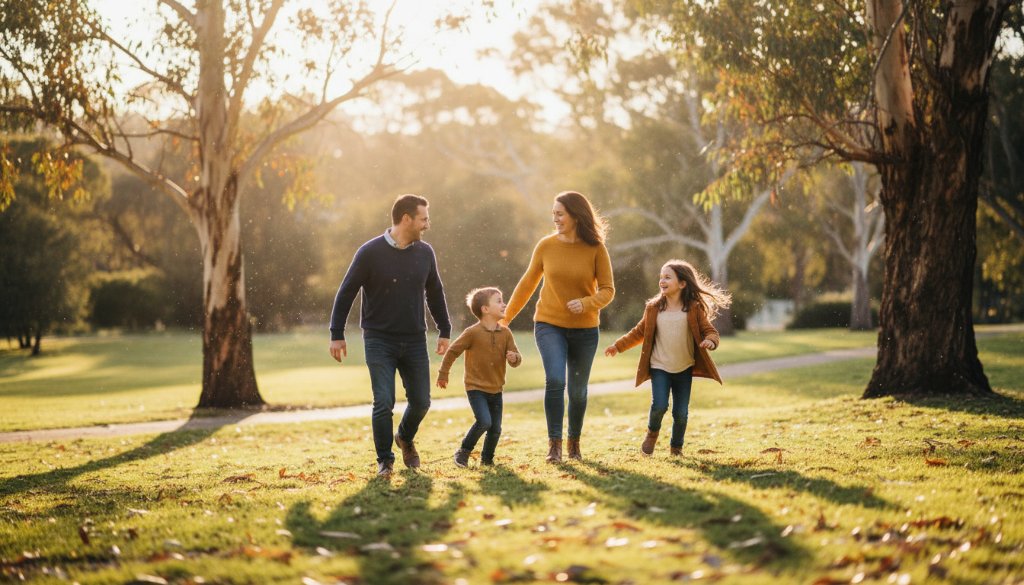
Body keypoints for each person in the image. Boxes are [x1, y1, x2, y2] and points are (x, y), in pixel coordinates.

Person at [329, 194, 451, 479]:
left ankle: (405, 437)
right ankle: (385, 460)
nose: (427, 224)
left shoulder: (425, 252)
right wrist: (337, 333)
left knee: (421, 401)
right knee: (383, 401)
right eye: (423, 218)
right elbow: (346, 291)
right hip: (379, 339)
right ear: (406, 219)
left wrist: (444, 329)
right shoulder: (370, 252)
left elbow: (435, 292)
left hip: (414, 339)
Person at [502, 191, 614, 463]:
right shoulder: (546, 246)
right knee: (555, 380)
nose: (554, 219)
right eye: (553, 213)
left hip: (585, 329)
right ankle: (555, 446)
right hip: (549, 323)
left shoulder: (596, 248)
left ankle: (574, 442)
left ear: (576, 215)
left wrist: (587, 303)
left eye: (559, 214)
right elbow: (527, 284)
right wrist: (505, 319)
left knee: (577, 391)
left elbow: (608, 290)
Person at [604, 259, 730, 456]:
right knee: (659, 405)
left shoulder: (694, 308)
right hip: (659, 366)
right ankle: (651, 434)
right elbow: (639, 332)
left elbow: (710, 331)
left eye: (667, 277)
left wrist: (710, 342)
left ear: (682, 283)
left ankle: (676, 447)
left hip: (684, 367)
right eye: (661, 277)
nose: (662, 280)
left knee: (681, 413)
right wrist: (618, 346)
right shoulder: (653, 308)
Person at [437, 287, 522, 468]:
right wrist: (443, 373)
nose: (504, 304)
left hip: (496, 388)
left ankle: (487, 460)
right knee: (484, 421)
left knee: (495, 429)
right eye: (498, 301)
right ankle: (463, 452)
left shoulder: (506, 333)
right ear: (485, 309)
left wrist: (515, 358)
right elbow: (452, 351)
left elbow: (516, 356)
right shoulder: (472, 332)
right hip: (475, 387)